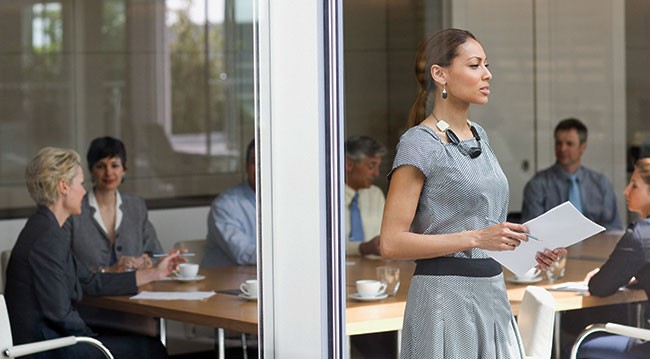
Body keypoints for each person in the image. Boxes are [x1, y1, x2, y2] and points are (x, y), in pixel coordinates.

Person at [379, 28, 565, 359]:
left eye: (486, 65)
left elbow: (482, 231)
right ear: (440, 74)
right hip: (443, 301)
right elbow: (391, 243)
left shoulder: (480, 135)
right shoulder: (419, 143)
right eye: (475, 65)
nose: (487, 74)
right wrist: (478, 238)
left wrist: (528, 249)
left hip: (492, 294)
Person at [4, 147, 183, 358]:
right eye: (80, 183)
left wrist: (154, 273)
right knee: (150, 349)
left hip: (53, 340)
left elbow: (90, 281)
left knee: (144, 345)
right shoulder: (47, 237)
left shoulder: (47, 228)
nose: (83, 191)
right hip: (46, 348)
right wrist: (94, 341)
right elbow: (59, 313)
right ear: (63, 186)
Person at [573, 158, 650, 358]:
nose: (625, 191)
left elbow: (600, 287)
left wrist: (605, 275)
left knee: (577, 346)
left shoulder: (640, 235)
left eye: (634, 185)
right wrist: (637, 277)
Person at [66, 136, 163, 273]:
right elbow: (64, 265)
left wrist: (146, 261)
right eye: (101, 166)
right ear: (91, 170)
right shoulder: (75, 209)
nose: (109, 173)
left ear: (124, 169)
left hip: (133, 289)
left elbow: (156, 253)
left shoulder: (136, 205)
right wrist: (107, 271)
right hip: (88, 292)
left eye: (115, 165)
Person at [521, 118, 622, 230]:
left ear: (583, 147)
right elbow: (532, 231)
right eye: (559, 143)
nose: (562, 149)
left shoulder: (601, 183)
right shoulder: (537, 184)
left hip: (597, 246)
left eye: (569, 144)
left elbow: (613, 228)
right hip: (553, 246)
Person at [203, 139, 256, 267]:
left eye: (267, 161)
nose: (261, 168)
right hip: (225, 285)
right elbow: (243, 253)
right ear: (246, 167)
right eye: (255, 162)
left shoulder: (286, 204)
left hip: (260, 283)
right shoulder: (225, 205)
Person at [345, 135, 387, 256]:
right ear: (348, 164)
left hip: (373, 270)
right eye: (371, 166)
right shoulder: (329, 196)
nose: (376, 173)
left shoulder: (375, 194)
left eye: (378, 167)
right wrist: (362, 248)